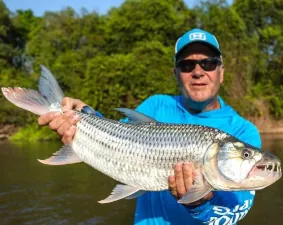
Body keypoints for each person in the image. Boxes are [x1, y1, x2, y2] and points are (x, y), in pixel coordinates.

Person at [38, 28, 261, 225]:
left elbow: (235, 212)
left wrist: (200, 202)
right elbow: (117, 139)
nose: (198, 71)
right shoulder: (156, 105)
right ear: (176, 73)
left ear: (222, 71)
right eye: (186, 65)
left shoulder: (243, 132)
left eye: (209, 63)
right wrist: (86, 116)